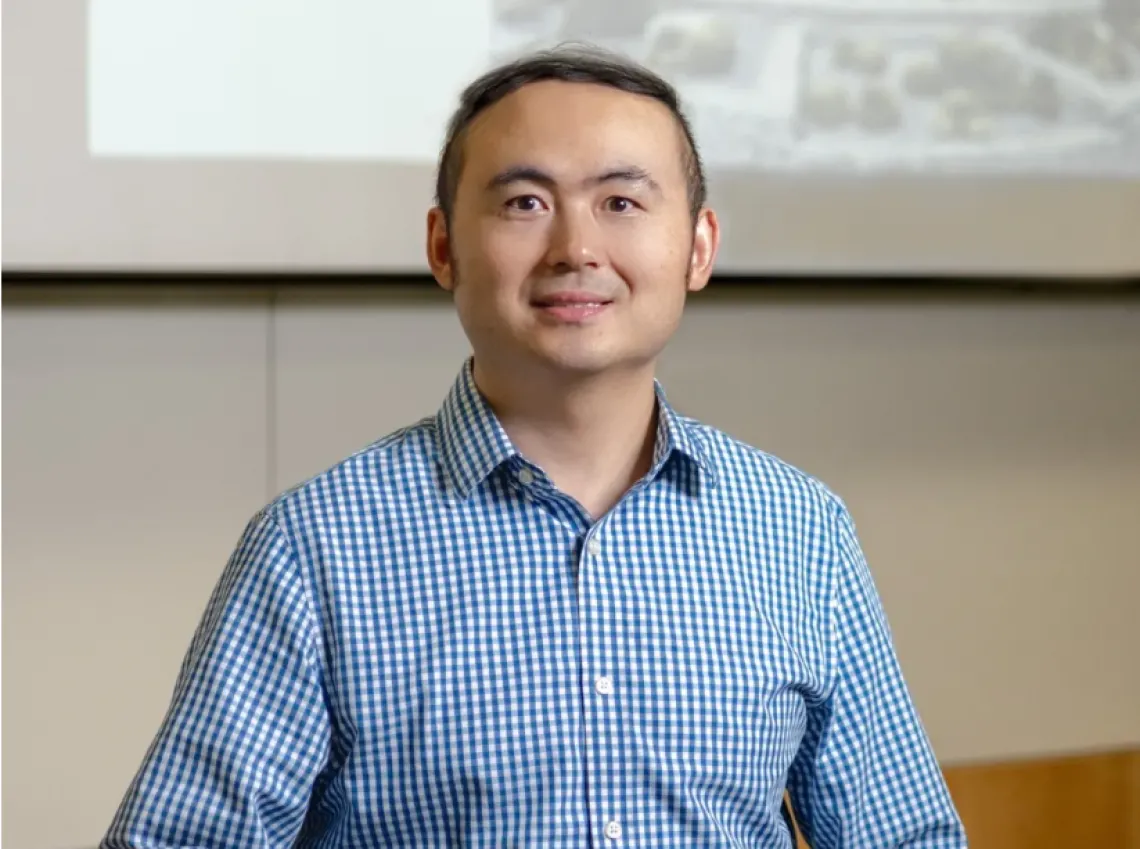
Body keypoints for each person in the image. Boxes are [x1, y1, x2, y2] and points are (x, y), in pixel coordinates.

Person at [102, 45, 967, 848]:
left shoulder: (799, 529)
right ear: (443, 245)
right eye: (526, 203)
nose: (576, 248)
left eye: (621, 202)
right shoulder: (314, 548)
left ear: (699, 247)